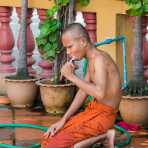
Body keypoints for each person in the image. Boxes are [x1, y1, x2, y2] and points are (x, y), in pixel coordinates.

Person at [41, 23, 121, 148]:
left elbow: (100, 93)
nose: (68, 52)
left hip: (104, 117)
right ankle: (97, 139)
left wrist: (71, 76)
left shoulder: (99, 59)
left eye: (70, 47)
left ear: (83, 41)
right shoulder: (91, 59)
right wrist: (63, 120)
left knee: (53, 146)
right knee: (48, 139)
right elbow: (83, 92)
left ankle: (103, 136)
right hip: (92, 112)